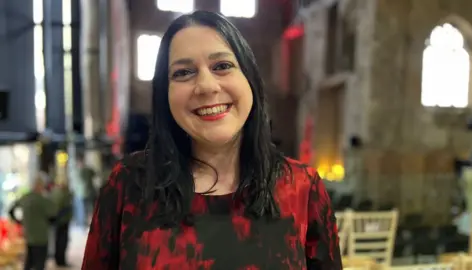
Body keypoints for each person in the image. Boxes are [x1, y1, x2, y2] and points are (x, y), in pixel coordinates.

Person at [82, 11, 341, 269]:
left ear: (249, 78)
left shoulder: (301, 189)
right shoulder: (128, 186)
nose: (207, 86)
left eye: (222, 66)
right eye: (183, 72)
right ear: (165, 94)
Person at [9, 173, 57, 270]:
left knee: (29, 262)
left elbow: (11, 210)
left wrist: (19, 221)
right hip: (41, 237)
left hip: (29, 235)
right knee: (39, 263)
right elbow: (54, 215)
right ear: (41, 186)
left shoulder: (25, 198)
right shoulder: (43, 200)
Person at [50, 181, 73, 267]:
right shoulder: (64, 194)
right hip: (63, 221)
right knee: (62, 242)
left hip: (57, 221)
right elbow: (66, 207)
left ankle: (58, 260)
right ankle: (61, 261)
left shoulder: (54, 193)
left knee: (57, 241)